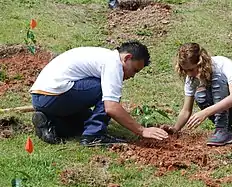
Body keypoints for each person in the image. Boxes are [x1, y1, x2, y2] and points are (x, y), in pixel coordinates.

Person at [30, 40, 168, 146]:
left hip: (41, 98)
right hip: (52, 96)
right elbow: (111, 107)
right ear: (127, 58)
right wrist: (141, 130)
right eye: (134, 70)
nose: (132, 76)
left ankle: (49, 121)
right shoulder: (113, 63)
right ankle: (93, 136)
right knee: (104, 90)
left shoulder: (103, 56)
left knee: (86, 121)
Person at [162, 43, 232, 146]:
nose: (189, 74)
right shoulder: (191, 78)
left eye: (191, 69)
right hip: (230, 112)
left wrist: (205, 112)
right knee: (200, 95)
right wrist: (175, 129)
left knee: (217, 78)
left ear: (200, 62)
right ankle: (225, 129)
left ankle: (221, 129)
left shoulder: (222, 64)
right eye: (185, 70)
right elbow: (186, 110)